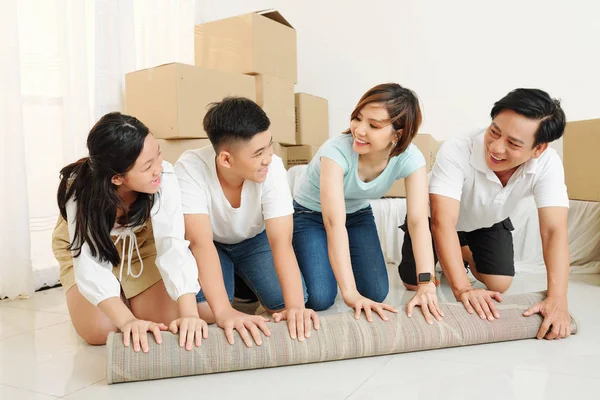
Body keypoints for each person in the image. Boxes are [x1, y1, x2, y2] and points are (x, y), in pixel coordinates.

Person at [399, 88, 572, 340]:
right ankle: (453, 255)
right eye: (494, 131)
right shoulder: (458, 148)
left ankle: (462, 252)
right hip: (434, 219)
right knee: (413, 283)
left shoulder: (548, 163)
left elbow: (553, 230)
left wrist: (558, 299)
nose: (496, 147)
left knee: (499, 283)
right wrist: (463, 290)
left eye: (513, 143)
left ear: (538, 149)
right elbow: (441, 222)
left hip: (487, 220)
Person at [52, 112, 206, 353]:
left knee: (166, 321)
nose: (158, 169)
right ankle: (119, 301)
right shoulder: (79, 188)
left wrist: (189, 313)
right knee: (100, 332)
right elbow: (89, 262)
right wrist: (128, 321)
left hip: (140, 248)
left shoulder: (164, 176)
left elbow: (173, 245)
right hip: (87, 251)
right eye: (147, 166)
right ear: (116, 178)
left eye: (158, 155)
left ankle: (128, 297)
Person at [292, 83, 442, 324]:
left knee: (375, 293)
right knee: (320, 297)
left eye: (373, 125)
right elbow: (333, 223)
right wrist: (350, 295)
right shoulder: (335, 151)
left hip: (357, 215)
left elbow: (417, 221)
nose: (359, 130)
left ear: (398, 134)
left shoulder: (410, 157)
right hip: (310, 215)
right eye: (357, 118)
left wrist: (426, 283)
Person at [175, 97, 319, 348]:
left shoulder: (272, 167)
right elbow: (200, 243)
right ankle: (237, 286)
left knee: (290, 301)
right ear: (226, 160)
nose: (268, 158)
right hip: (213, 245)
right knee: (207, 311)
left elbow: (281, 242)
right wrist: (224, 312)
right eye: (258, 153)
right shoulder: (189, 169)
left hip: (254, 241)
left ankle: (244, 282)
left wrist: (296, 307)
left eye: (269, 145)